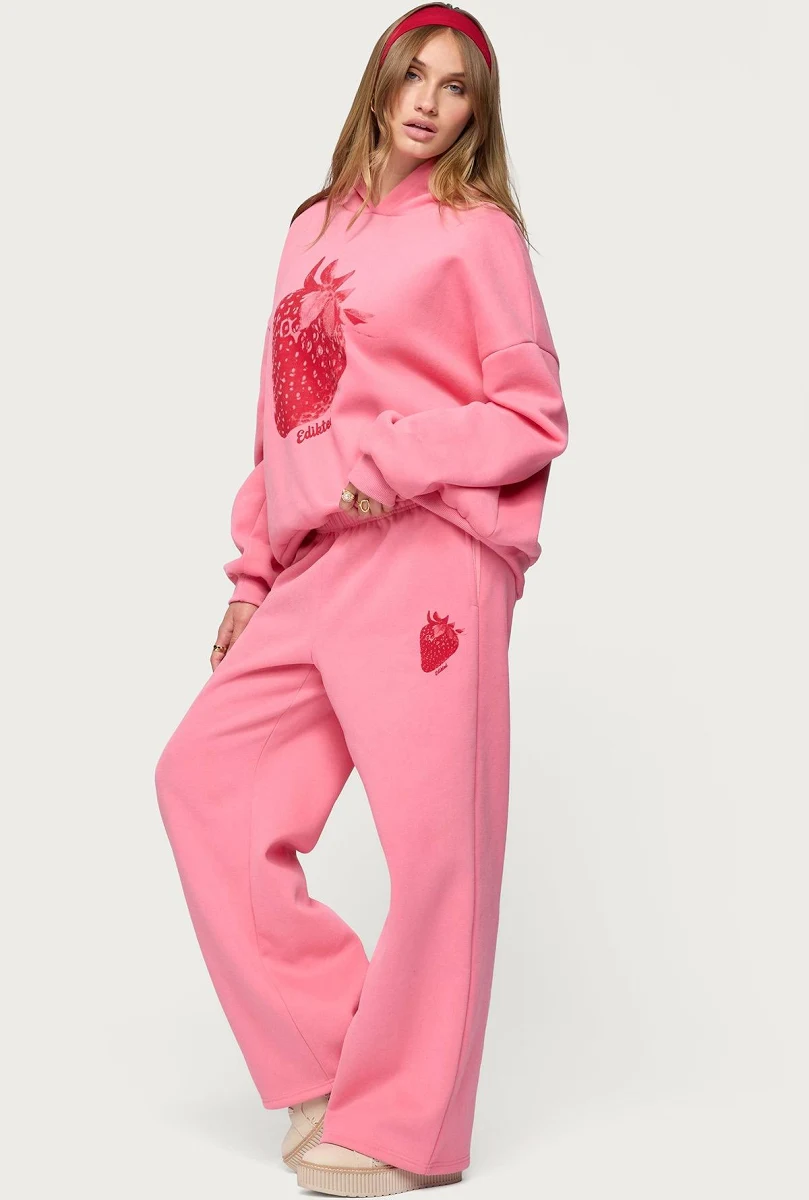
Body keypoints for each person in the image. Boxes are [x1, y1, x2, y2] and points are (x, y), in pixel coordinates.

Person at [154, 4, 569, 1195]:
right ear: (378, 85)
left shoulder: (476, 234)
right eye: (412, 76)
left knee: (436, 845)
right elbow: (279, 418)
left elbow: (532, 415)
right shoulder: (311, 225)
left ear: (478, 113)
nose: (428, 102)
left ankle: (406, 1128)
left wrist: (389, 455)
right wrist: (252, 573)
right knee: (203, 779)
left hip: (430, 550)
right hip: (316, 560)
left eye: (456, 87)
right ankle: (333, 1060)